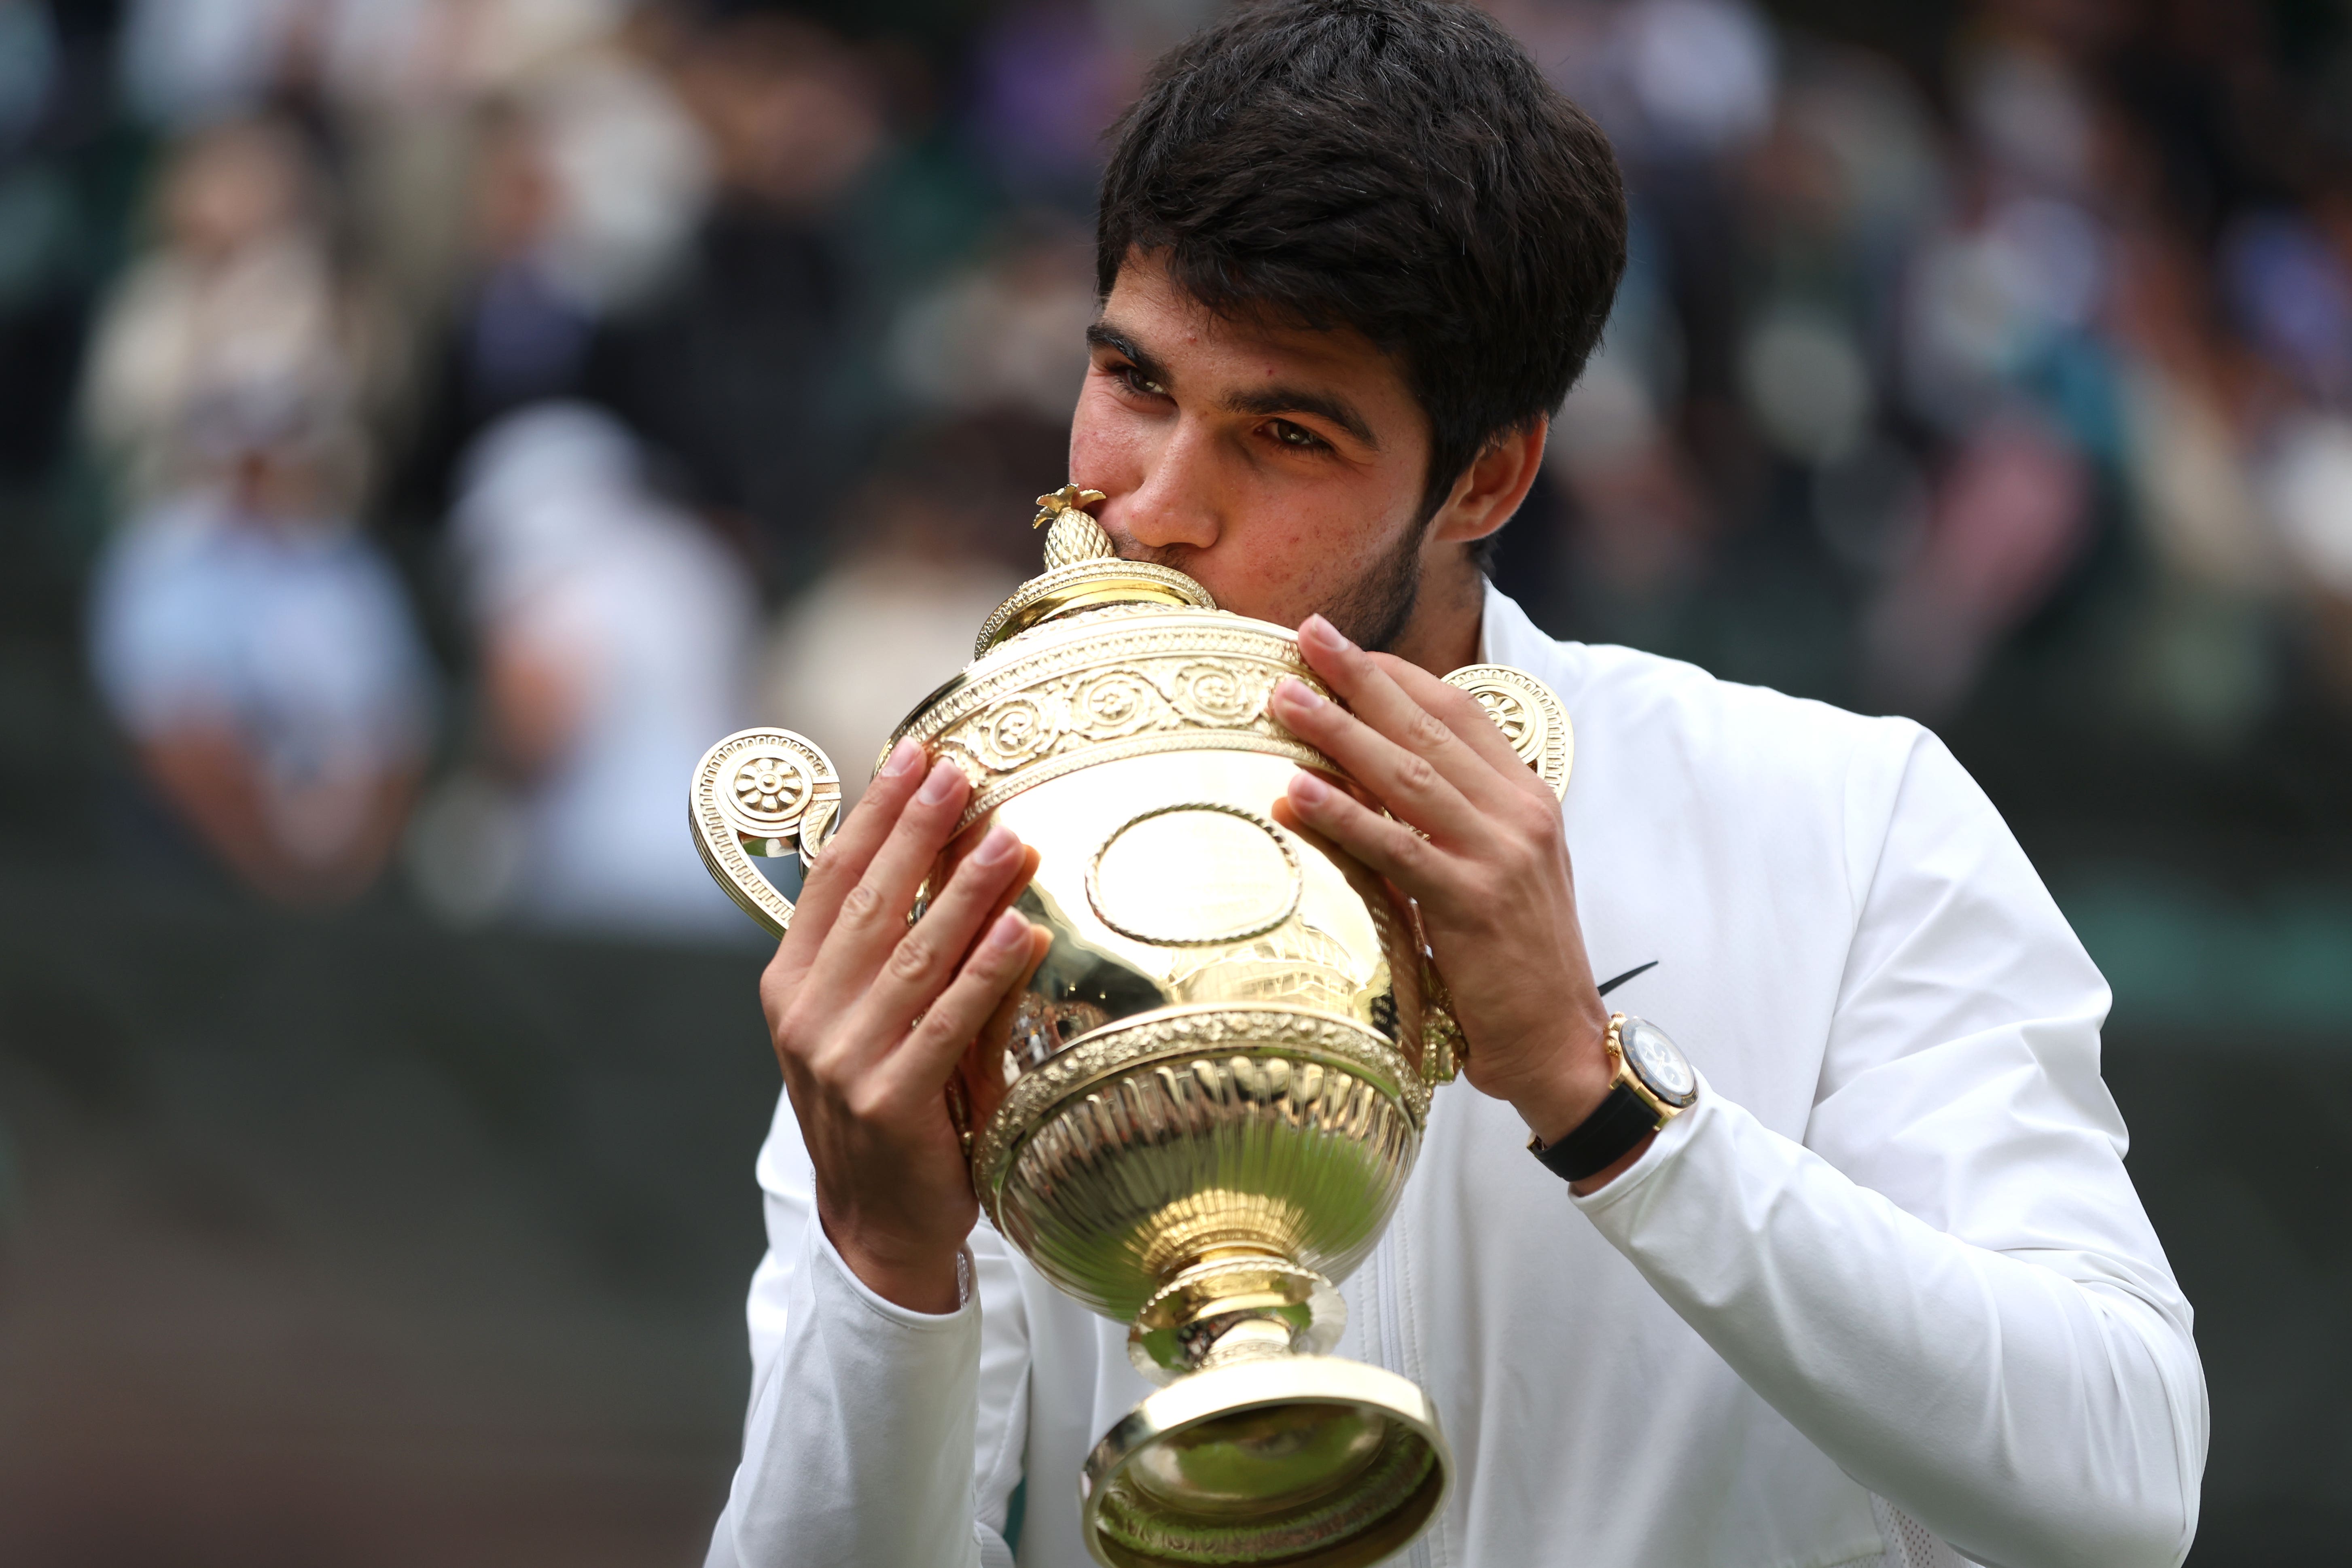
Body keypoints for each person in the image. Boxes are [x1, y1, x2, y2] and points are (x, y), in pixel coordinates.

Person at [707, 5, 2207, 1567]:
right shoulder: (970, 856)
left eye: (1283, 435)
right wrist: (884, 1259)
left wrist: (1602, 1093)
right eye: (1134, 381)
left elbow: (2121, 1490)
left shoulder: (1847, 815)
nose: (1153, 505)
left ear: (1488, 477)